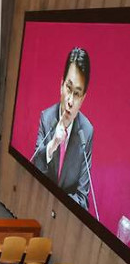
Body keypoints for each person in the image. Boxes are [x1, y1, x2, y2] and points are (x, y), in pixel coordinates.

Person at [32, 47, 93, 210]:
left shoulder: (86, 132)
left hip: (65, 214)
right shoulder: (47, 118)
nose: (70, 100)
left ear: (83, 98)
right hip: (37, 204)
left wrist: (58, 204)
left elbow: (83, 198)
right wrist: (52, 145)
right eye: (68, 88)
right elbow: (32, 170)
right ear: (61, 84)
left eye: (77, 93)